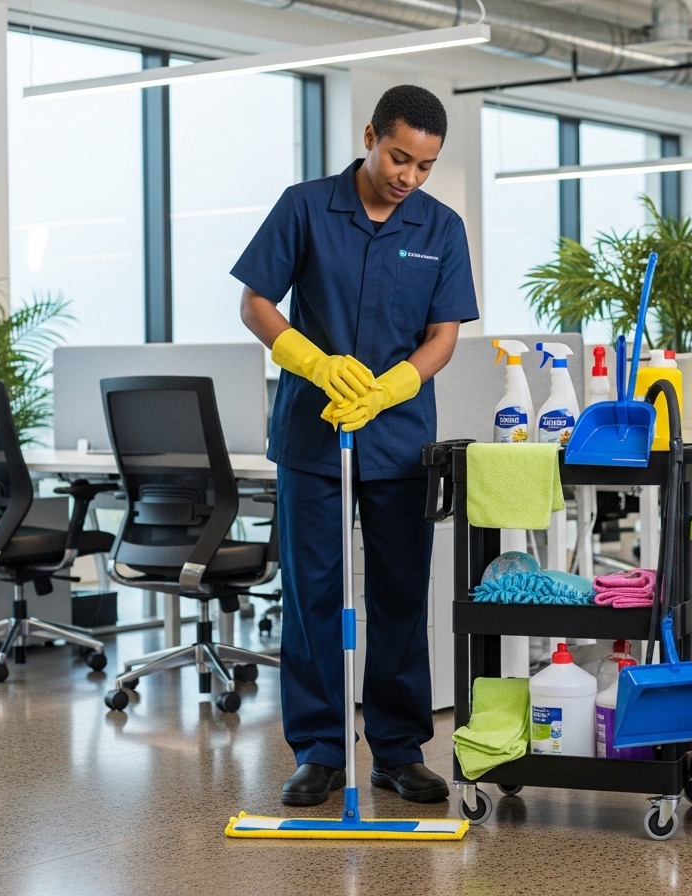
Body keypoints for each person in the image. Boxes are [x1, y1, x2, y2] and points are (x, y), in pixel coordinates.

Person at [234, 85, 477, 806]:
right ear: (371, 134)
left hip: (399, 440)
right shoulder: (305, 206)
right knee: (314, 593)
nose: (409, 177)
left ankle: (399, 750)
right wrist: (311, 362)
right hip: (314, 432)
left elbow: (444, 335)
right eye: (399, 157)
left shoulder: (441, 227)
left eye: (425, 166)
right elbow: (255, 302)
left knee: (401, 593)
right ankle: (320, 750)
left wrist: (397, 383)